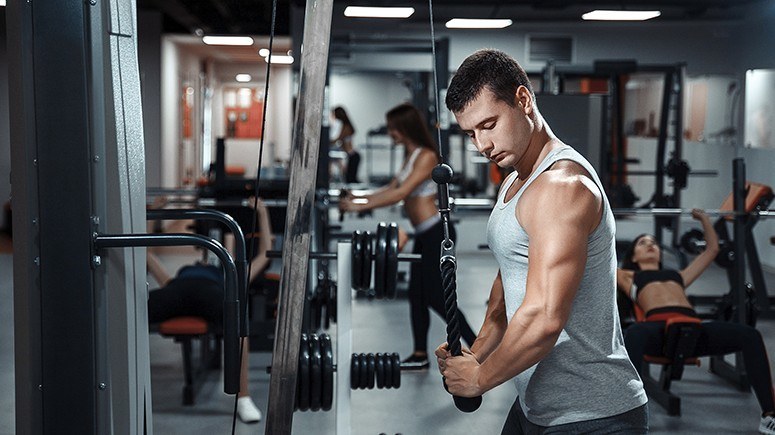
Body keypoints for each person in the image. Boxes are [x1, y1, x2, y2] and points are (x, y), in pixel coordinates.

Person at [435, 49, 648, 433]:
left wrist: (480, 380)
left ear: (523, 99)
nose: (482, 145)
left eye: (489, 124)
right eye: (471, 133)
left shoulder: (560, 187)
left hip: (592, 416)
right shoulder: (516, 177)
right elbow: (507, 287)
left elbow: (544, 318)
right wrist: (476, 352)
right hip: (535, 406)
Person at [339, 103, 478, 369]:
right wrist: (356, 198)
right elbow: (390, 188)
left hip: (438, 234)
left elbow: (400, 195)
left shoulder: (426, 156)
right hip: (423, 235)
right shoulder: (410, 155)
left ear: (405, 128)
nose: (390, 133)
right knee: (417, 296)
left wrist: (359, 206)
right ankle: (419, 353)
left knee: (438, 297)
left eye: (393, 128)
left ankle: (479, 345)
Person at [618, 209, 775, 434]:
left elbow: (712, 250)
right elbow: (596, 258)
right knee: (633, 333)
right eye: (643, 243)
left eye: (653, 242)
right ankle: (629, 414)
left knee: (750, 335)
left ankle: (770, 415)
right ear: (633, 255)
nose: (650, 245)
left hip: (694, 328)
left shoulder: (679, 276)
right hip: (658, 331)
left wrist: (704, 219)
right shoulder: (627, 276)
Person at [146, 198, 274, 424]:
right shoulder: (181, 275)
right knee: (134, 314)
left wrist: (262, 213)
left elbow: (266, 254)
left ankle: (243, 397)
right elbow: (146, 251)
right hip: (177, 291)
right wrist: (155, 214)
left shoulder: (230, 274)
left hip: (213, 296)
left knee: (238, 323)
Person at [330, 106, 361, 183]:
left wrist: (326, 142)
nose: (332, 117)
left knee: (350, 180)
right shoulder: (344, 126)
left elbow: (338, 139)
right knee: (349, 179)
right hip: (351, 155)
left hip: (352, 156)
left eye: (333, 114)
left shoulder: (345, 127)